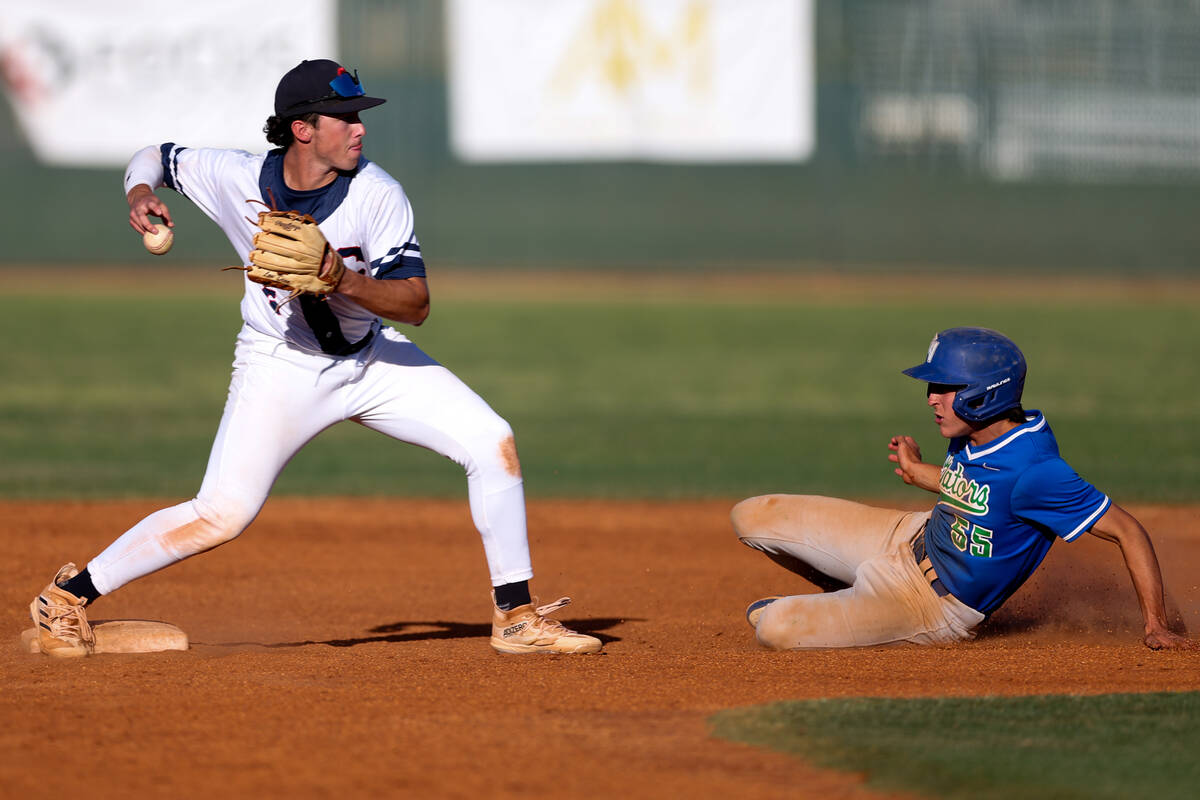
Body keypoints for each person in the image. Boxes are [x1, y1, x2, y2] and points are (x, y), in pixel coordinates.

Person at [29, 59, 601, 658]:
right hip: (280, 364)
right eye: (346, 117)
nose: (360, 129)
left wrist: (341, 280)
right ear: (303, 128)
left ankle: (516, 616)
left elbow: (416, 303)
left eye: (360, 118)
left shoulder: (378, 195)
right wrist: (139, 190)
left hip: (372, 359)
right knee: (221, 514)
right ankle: (67, 596)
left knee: (492, 441)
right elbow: (156, 155)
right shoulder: (236, 176)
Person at [731, 326, 1196, 651]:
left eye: (945, 386)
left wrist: (1155, 624)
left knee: (774, 628)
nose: (931, 397)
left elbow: (1128, 531)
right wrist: (921, 473)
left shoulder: (1037, 471)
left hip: (929, 606)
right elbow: (979, 490)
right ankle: (848, 593)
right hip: (904, 536)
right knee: (749, 515)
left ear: (985, 393)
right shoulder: (972, 432)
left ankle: (852, 608)